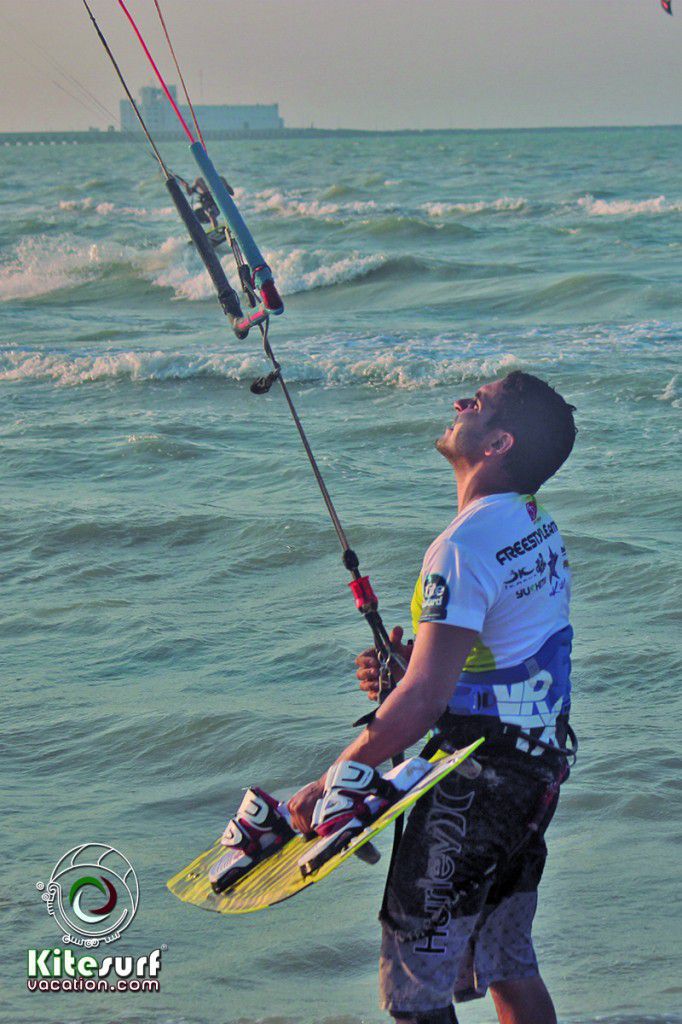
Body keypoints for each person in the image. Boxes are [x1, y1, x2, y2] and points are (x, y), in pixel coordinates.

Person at [288, 370, 577, 1024]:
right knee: (507, 961)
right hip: (535, 775)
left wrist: (332, 779)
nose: (458, 404)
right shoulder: (534, 523)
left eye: (476, 404)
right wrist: (410, 666)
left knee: (415, 992)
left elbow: (420, 702)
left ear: (498, 442)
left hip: (475, 783)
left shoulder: (462, 546)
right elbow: (505, 652)